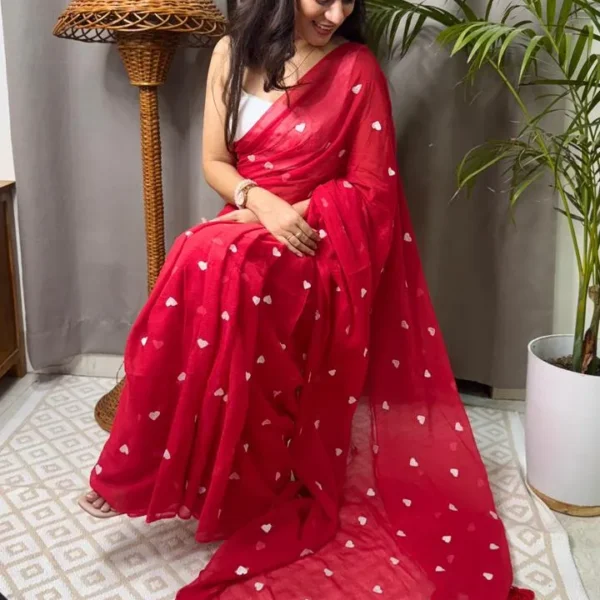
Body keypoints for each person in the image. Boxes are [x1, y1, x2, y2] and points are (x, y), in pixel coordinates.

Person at [79, 1, 534, 598]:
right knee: (202, 258)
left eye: (349, 0)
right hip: (248, 221)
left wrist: (287, 215)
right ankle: (144, 464)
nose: (336, 13)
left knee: (215, 262)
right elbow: (215, 162)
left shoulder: (356, 68)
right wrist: (259, 204)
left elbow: (371, 190)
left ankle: (212, 479)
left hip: (316, 239)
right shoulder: (230, 53)